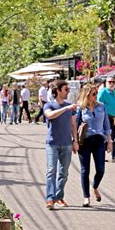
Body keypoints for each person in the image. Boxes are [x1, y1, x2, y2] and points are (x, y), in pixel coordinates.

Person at [43, 80, 78, 210]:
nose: (68, 92)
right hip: (52, 143)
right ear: (58, 91)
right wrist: (65, 108)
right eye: (66, 90)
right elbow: (49, 116)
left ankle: (59, 196)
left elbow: (74, 124)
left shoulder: (70, 108)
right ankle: (50, 198)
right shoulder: (49, 105)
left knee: (64, 173)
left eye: (68, 90)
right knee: (51, 170)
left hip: (67, 143)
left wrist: (75, 141)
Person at [76, 84, 112, 207]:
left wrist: (110, 141)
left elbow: (107, 125)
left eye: (96, 93)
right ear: (87, 95)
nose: (96, 96)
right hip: (85, 141)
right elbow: (75, 126)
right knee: (85, 170)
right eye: (93, 94)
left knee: (101, 169)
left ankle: (95, 186)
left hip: (99, 140)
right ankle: (86, 197)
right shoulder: (81, 108)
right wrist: (74, 142)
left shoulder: (101, 107)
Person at [97, 76, 115, 163]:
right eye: (109, 82)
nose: (111, 84)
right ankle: (109, 156)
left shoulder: (114, 92)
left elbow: (114, 104)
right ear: (106, 83)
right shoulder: (103, 92)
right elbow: (98, 103)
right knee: (107, 136)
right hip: (106, 117)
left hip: (113, 117)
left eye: (113, 82)